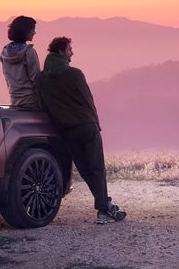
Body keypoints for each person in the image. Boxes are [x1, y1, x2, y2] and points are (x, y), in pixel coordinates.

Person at [35, 36, 127, 224]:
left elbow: (43, 105)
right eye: (70, 49)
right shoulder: (75, 74)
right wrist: (96, 123)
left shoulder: (41, 79)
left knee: (85, 170)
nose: (72, 53)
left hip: (66, 131)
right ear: (61, 52)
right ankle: (103, 210)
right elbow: (88, 101)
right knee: (97, 168)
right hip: (86, 125)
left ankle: (105, 205)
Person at [0, 16, 41, 109]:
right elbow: (36, 80)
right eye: (33, 29)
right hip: (31, 102)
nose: (34, 32)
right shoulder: (29, 52)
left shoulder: (4, 52)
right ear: (26, 31)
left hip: (14, 100)